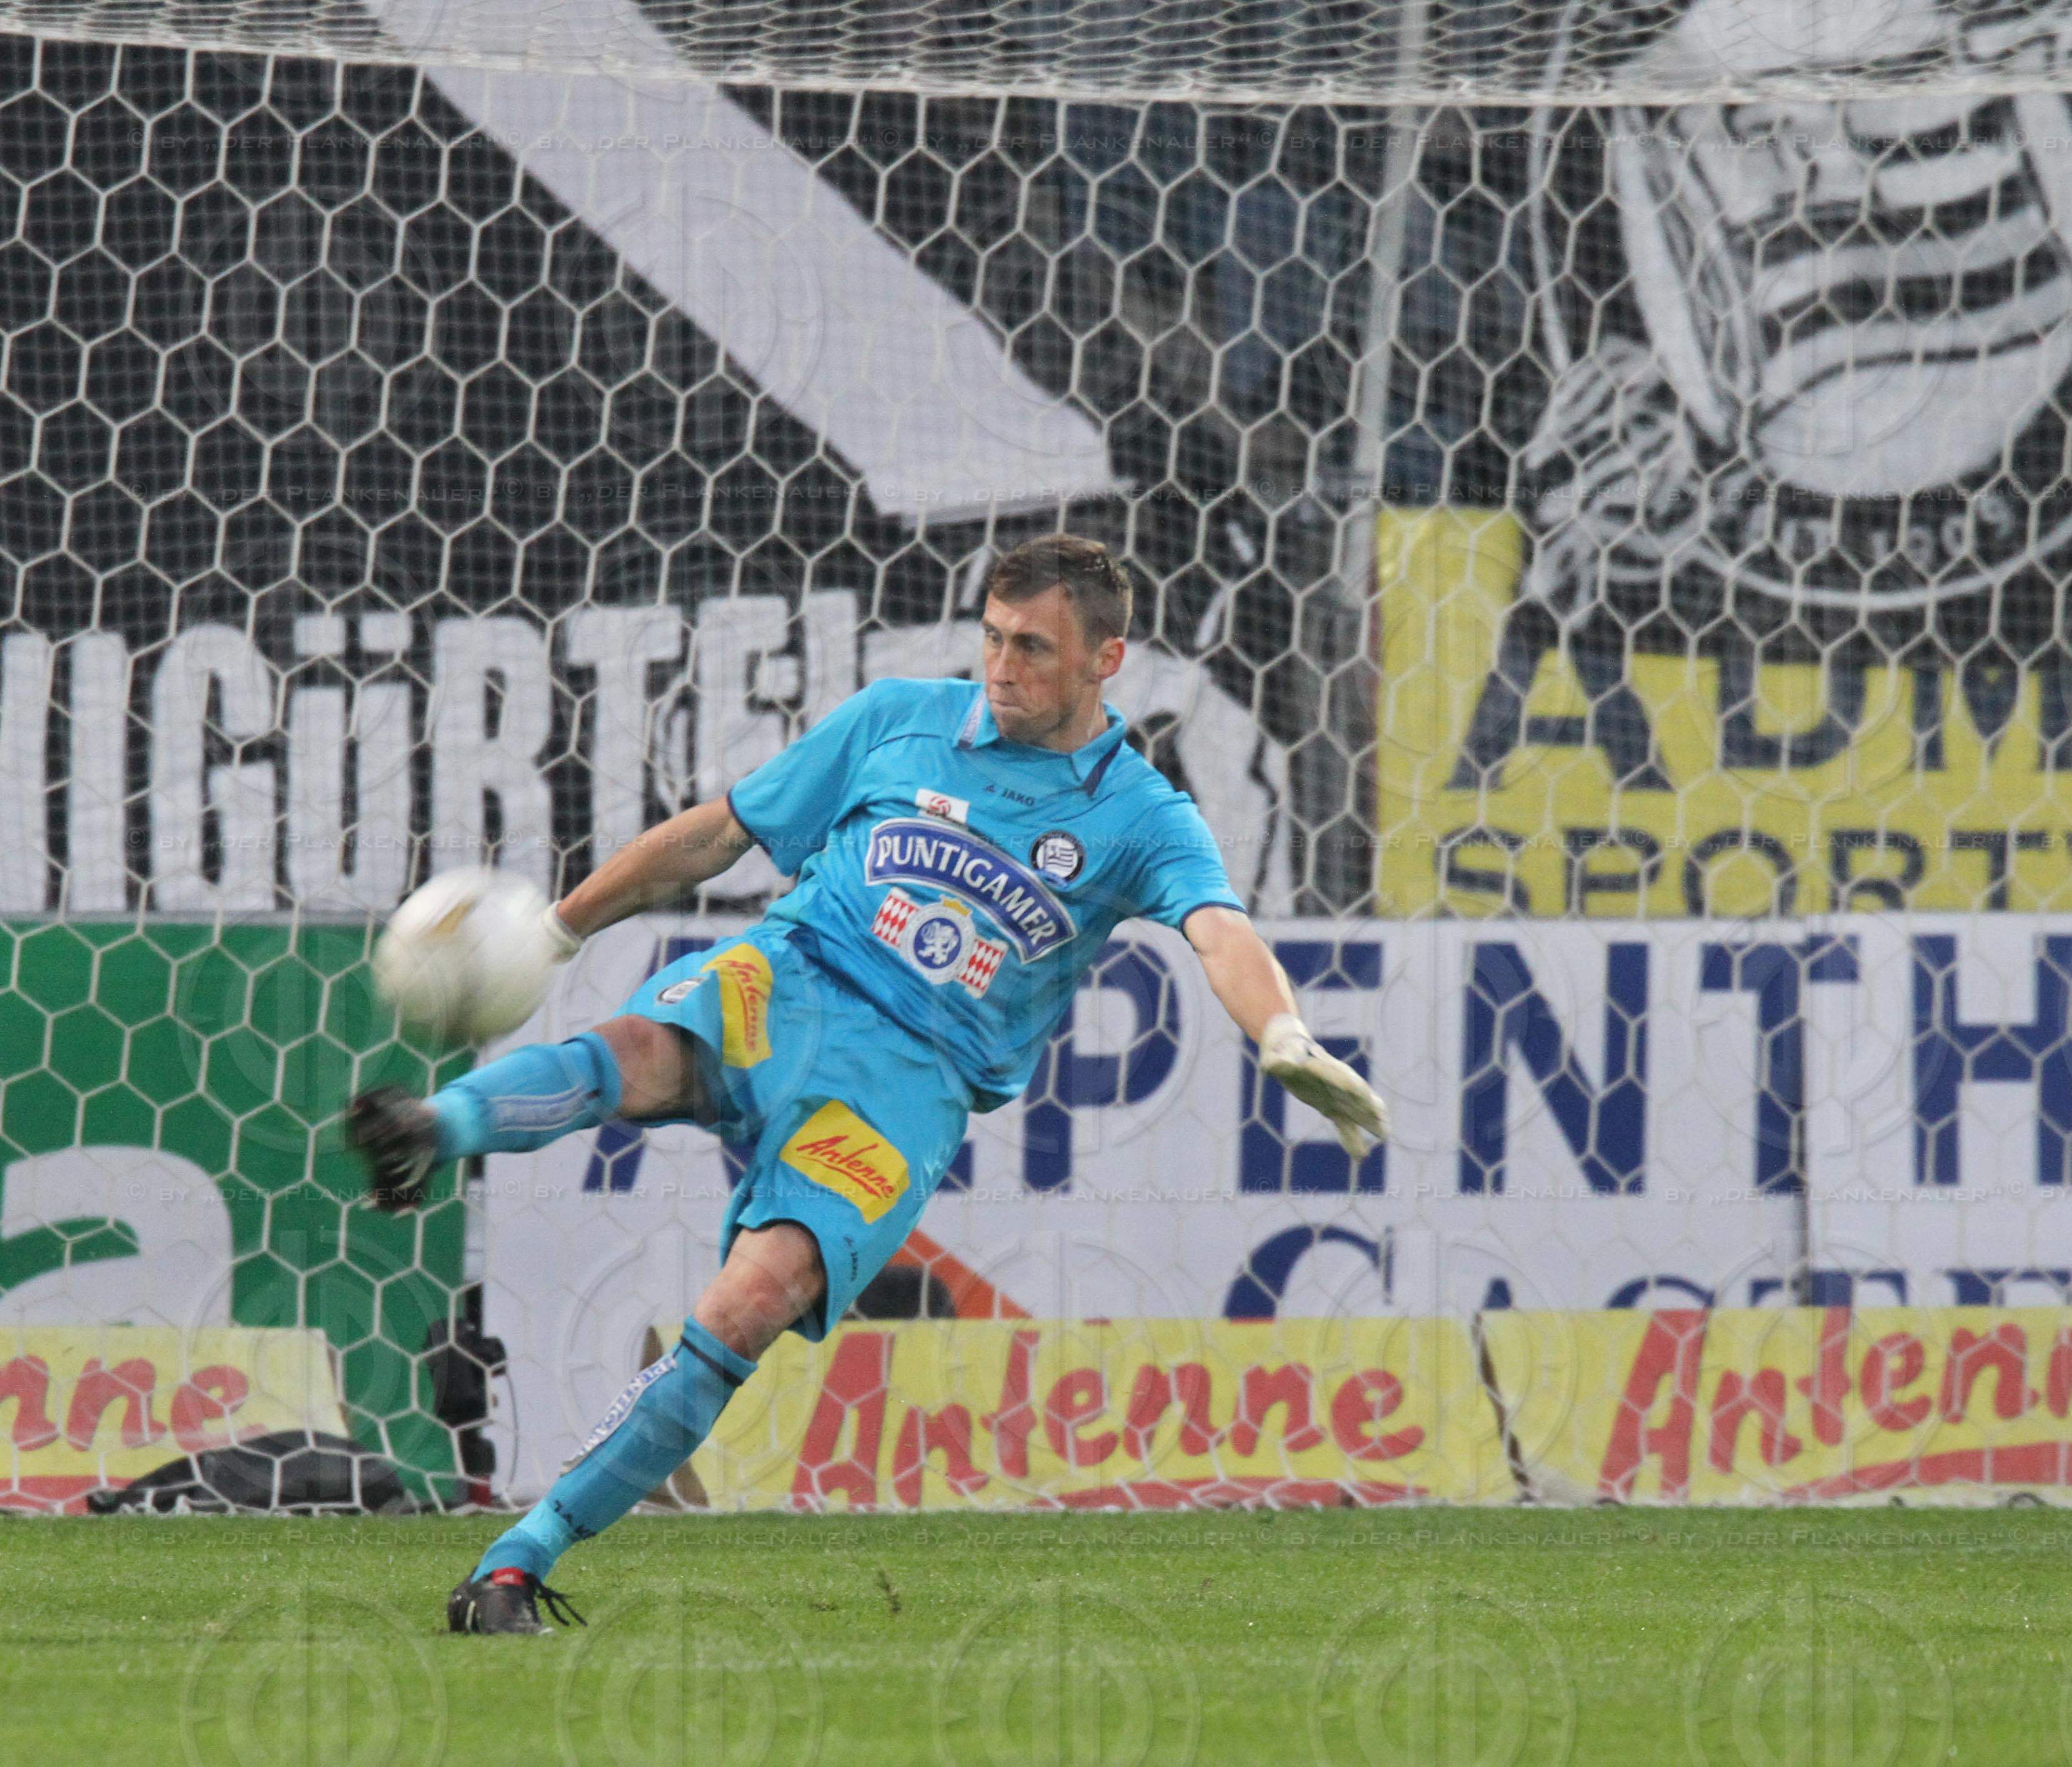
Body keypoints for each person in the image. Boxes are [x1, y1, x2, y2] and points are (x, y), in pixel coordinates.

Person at [347, 534, 1387, 1634]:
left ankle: (515, 1564)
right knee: (646, 1049)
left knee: (752, 1302)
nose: (1001, 667)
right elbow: (716, 835)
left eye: (1033, 647)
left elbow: (1220, 930)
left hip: (907, 1086)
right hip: (792, 979)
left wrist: (1282, 1033)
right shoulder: (899, 718)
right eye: (993, 638)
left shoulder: (1142, 816)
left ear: (1106, 659)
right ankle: (433, 1124)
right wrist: (558, 930)